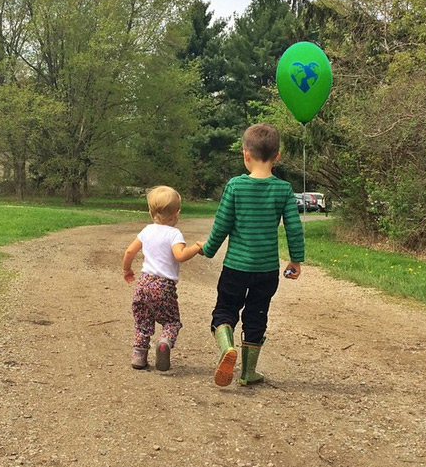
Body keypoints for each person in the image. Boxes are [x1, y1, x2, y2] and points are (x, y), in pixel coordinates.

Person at [197, 123, 304, 387]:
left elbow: (222, 223)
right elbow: (294, 227)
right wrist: (295, 260)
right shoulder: (283, 190)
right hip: (266, 271)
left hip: (235, 267)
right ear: (277, 156)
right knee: (257, 316)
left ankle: (226, 349)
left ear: (245, 154)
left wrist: (208, 249)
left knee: (225, 310)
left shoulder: (235, 186)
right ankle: (248, 372)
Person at [122, 185, 201, 371]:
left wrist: (127, 270)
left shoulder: (146, 231)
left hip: (143, 283)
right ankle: (165, 342)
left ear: (151, 212)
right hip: (163, 286)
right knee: (171, 321)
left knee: (143, 321)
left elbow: (129, 251)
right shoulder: (174, 234)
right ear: (177, 214)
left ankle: (139, 356)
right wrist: (198, 247)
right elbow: (180, 255)